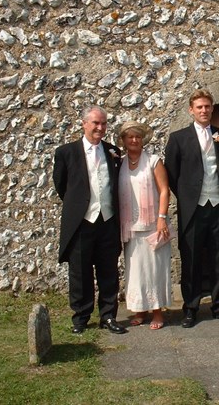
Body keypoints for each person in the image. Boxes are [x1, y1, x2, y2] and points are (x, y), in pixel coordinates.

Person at [164, 89, 219, 328]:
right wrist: (187, 197)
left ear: (212, 108)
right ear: (191, 110)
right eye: (199, 107)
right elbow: (171, 174)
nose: (204, 111)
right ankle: (191, 308)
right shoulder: (178, 138)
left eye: (207, 106)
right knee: (191, 259)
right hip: (193, 209)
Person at [53, 105, 126, 334]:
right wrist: (81, 206)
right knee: (80, 272)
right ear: (84, 124)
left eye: (103, 123)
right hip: (82, 223)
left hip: (107, 221)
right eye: (95, 123)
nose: (100, 127)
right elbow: (61, 185)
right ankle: (81, 317)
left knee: (108, 272)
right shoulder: (66, 152)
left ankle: (108, 316)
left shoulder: (113, 152)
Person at [118, 121, 172, 329]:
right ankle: (140, 309)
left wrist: (161, 218)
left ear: (143, 140)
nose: (134, 140)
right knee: (137, 271)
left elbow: (165, 190)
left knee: (155, 269)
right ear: (123, 140)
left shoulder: (153, 161)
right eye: (130, 137)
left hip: (153, 225)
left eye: (137, 137)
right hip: (131, 226)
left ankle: (158, 312)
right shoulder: (120, 163)